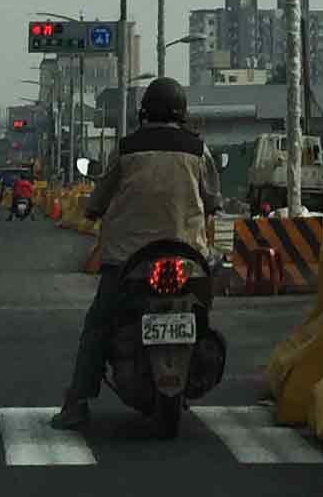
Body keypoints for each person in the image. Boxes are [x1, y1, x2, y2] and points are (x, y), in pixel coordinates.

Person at [51, 77, 220, 432]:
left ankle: (77, 403)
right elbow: (212, 201)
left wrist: (94, 211)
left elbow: (99, 198)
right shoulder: (198, 149)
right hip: (189, 258)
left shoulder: (126, 149)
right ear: (182, 112)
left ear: (144, 111)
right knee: (204, 313)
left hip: (129, 260)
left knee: (98, 326)